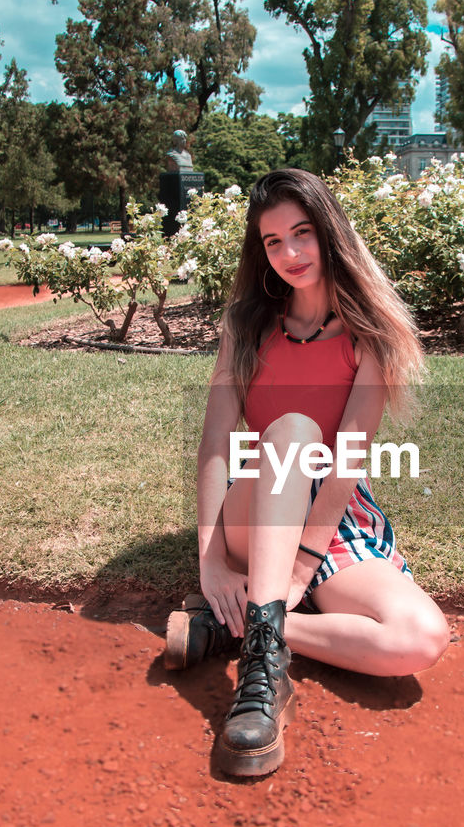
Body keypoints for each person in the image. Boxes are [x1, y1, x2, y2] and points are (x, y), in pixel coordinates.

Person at [165, 168, 449, 777]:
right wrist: (212, 559)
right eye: (272, 241)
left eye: (301, 233)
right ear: (260, 251)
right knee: (291, 433)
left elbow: (349, 456)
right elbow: (217, 444)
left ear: (328, 231)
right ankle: (264, 681)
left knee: (421, 637)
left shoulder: (369, 334)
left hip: (335, 511)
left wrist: (302, 563)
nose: (290, 253)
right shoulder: (246, 326)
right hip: (259, 500)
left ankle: (240, 627)